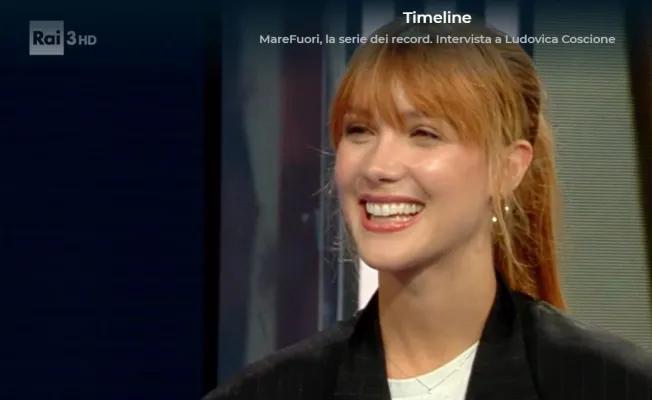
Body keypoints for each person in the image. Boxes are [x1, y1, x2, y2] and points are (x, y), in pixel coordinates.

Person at [205, 19, 652, 400]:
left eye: (423, 134)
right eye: (359, 131)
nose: (377, 167)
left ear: (509, 168)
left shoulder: (612, 385)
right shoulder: (267, 392)